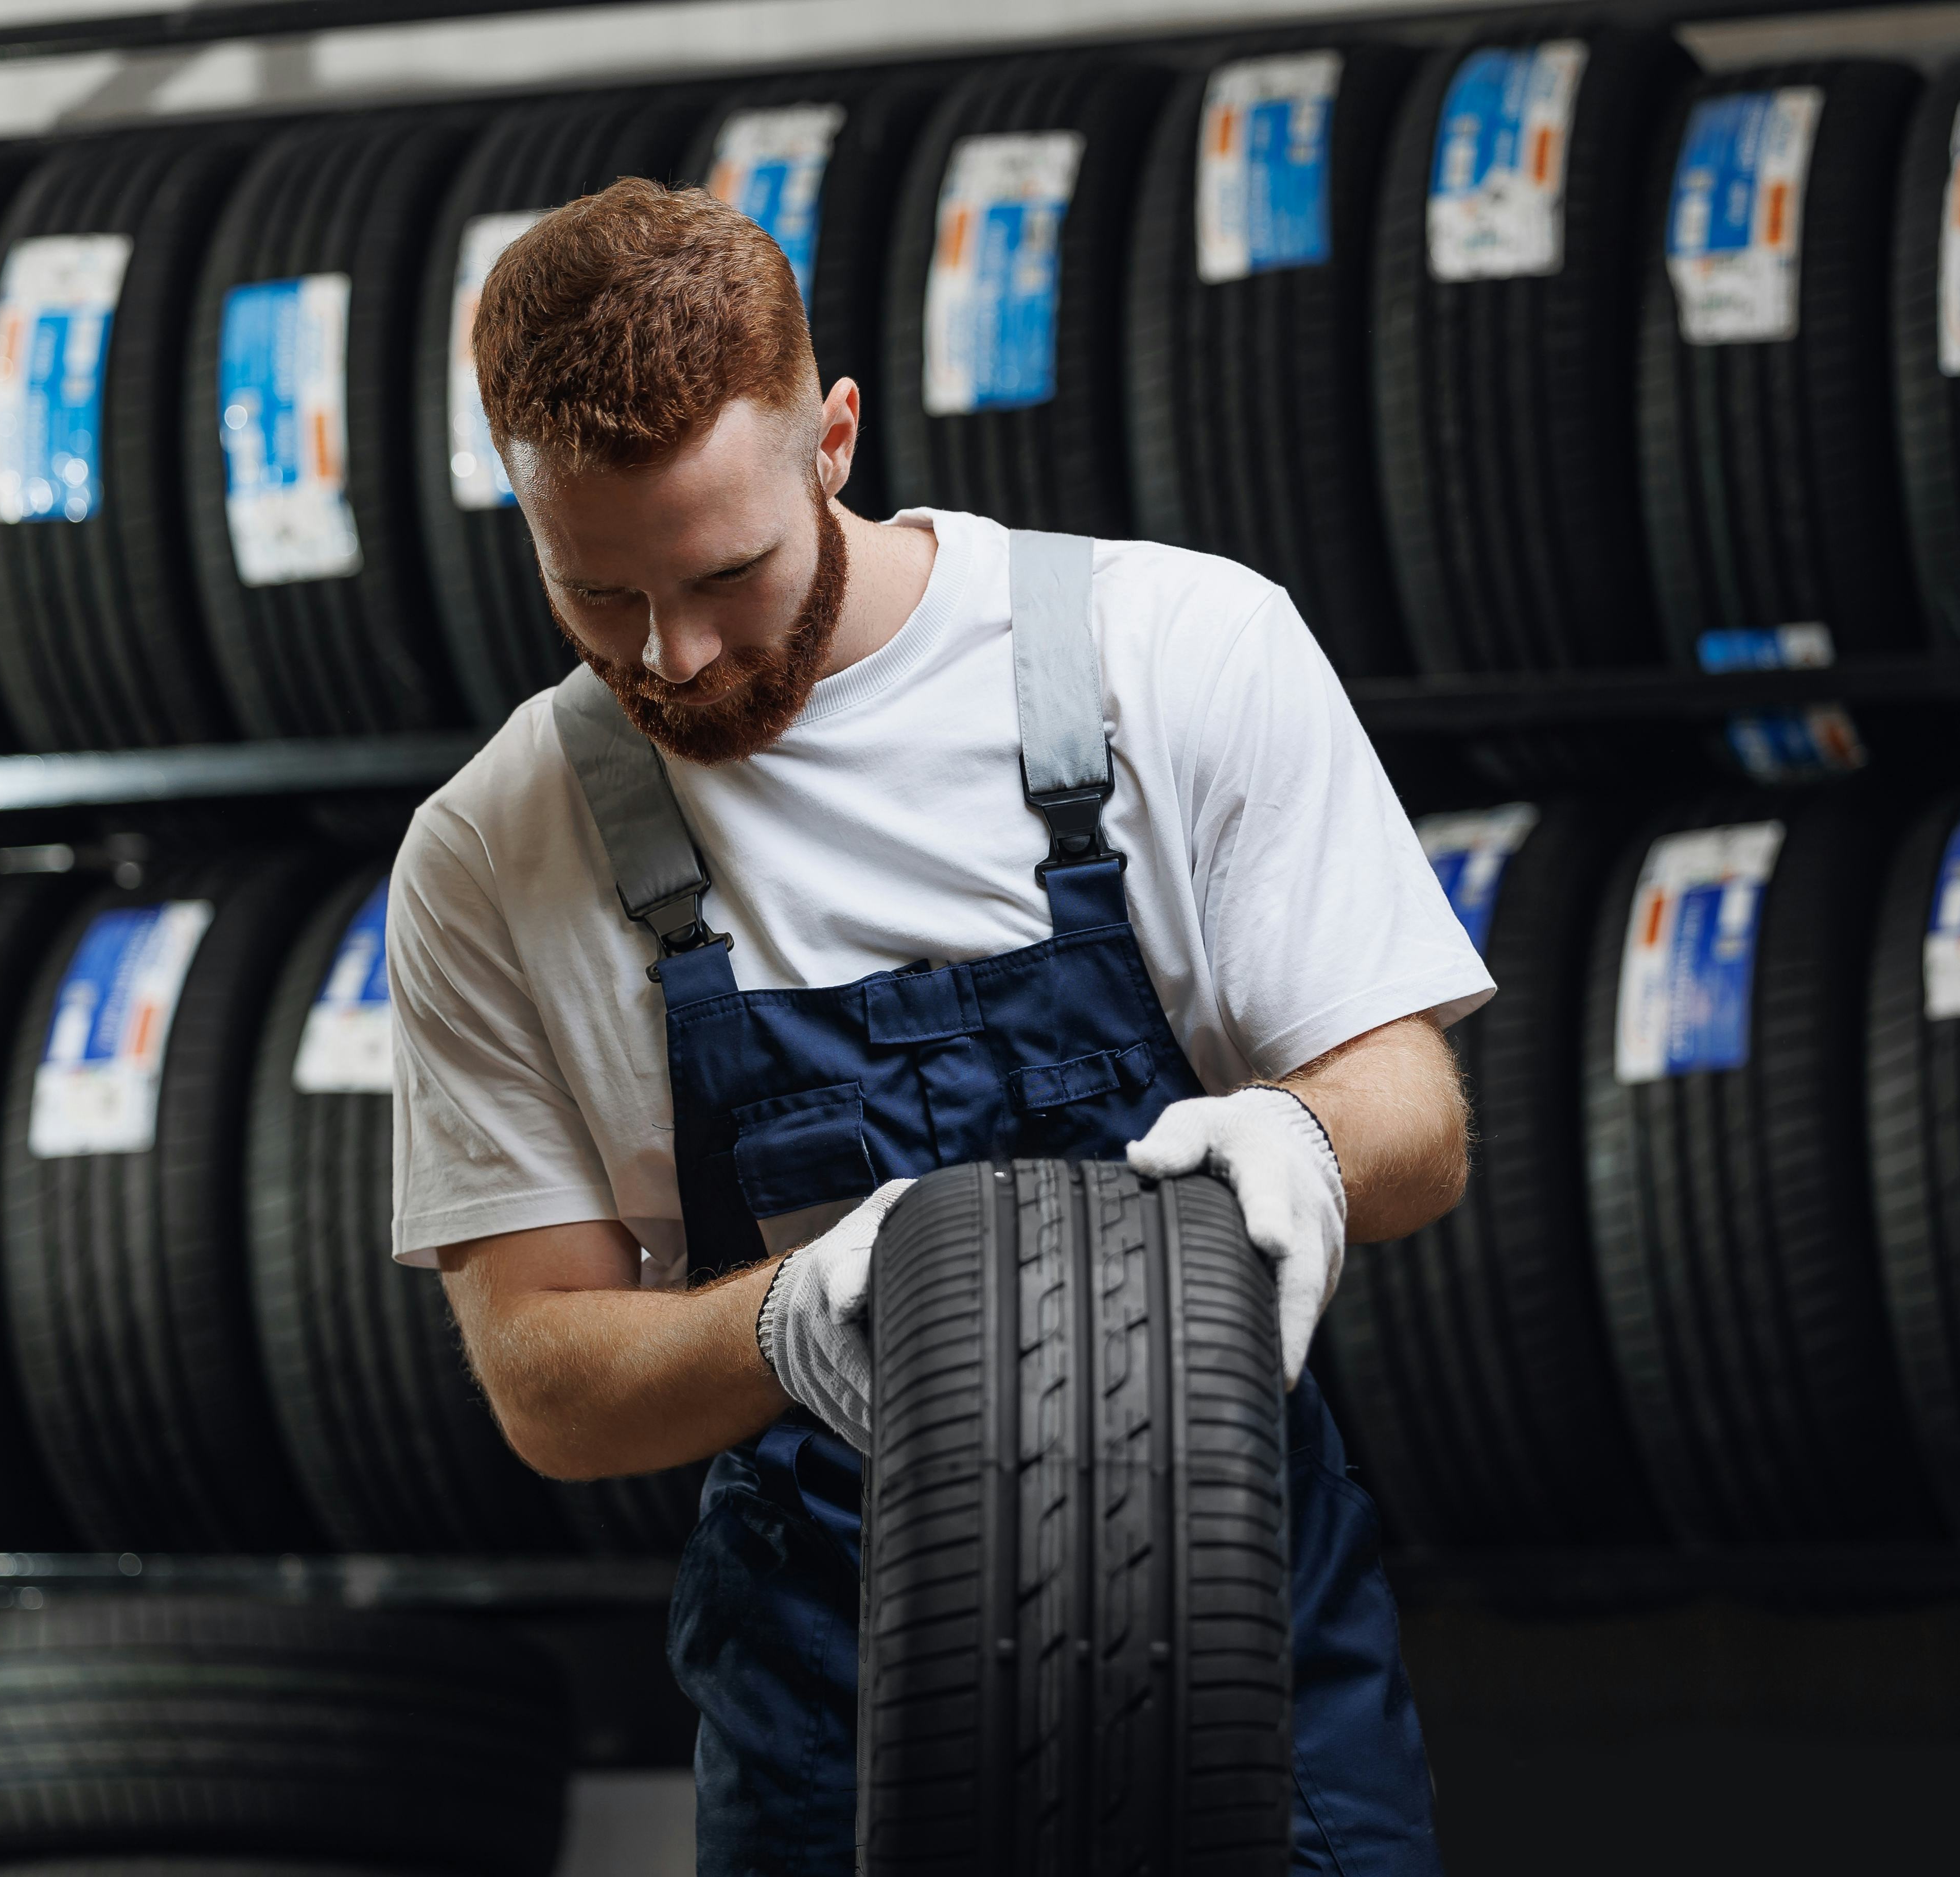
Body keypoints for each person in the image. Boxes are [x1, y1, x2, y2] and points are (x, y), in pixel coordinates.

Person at [387, 177, 1487, 1875]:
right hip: (828, 1682)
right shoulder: (490, 852)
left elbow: (1414, 1111)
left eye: (724, 575)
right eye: (598, 598)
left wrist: (1304, 1138)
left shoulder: (1172, 650)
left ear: (832, 439)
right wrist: (785, 1324)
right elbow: (545, 1378)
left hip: (1233, 1611)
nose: (672, 659)